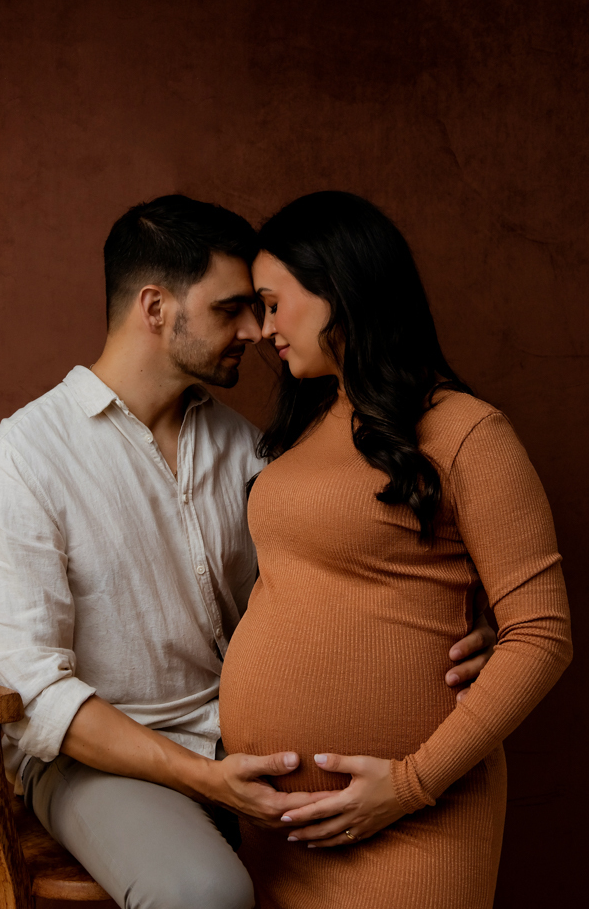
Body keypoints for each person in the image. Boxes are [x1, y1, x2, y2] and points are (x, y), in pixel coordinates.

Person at [0, 194, 498, 909]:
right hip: (102, 761)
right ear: (155, 308)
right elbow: (32, 693)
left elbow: (345, 571)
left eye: (259, 307)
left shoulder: (249, 447)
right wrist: (204, 778)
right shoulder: (21, 460)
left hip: (242, 745)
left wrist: (468, 621)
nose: (256, 330)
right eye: (231, 309)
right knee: (202, 894)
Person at [218, 190, 573, 909]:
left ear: (338, 289)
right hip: (276, 834)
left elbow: (542, 634)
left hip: (418, 821)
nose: (262, 328)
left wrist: (409, 785)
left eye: (273, 303)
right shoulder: (306, 429)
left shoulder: (467, 432)